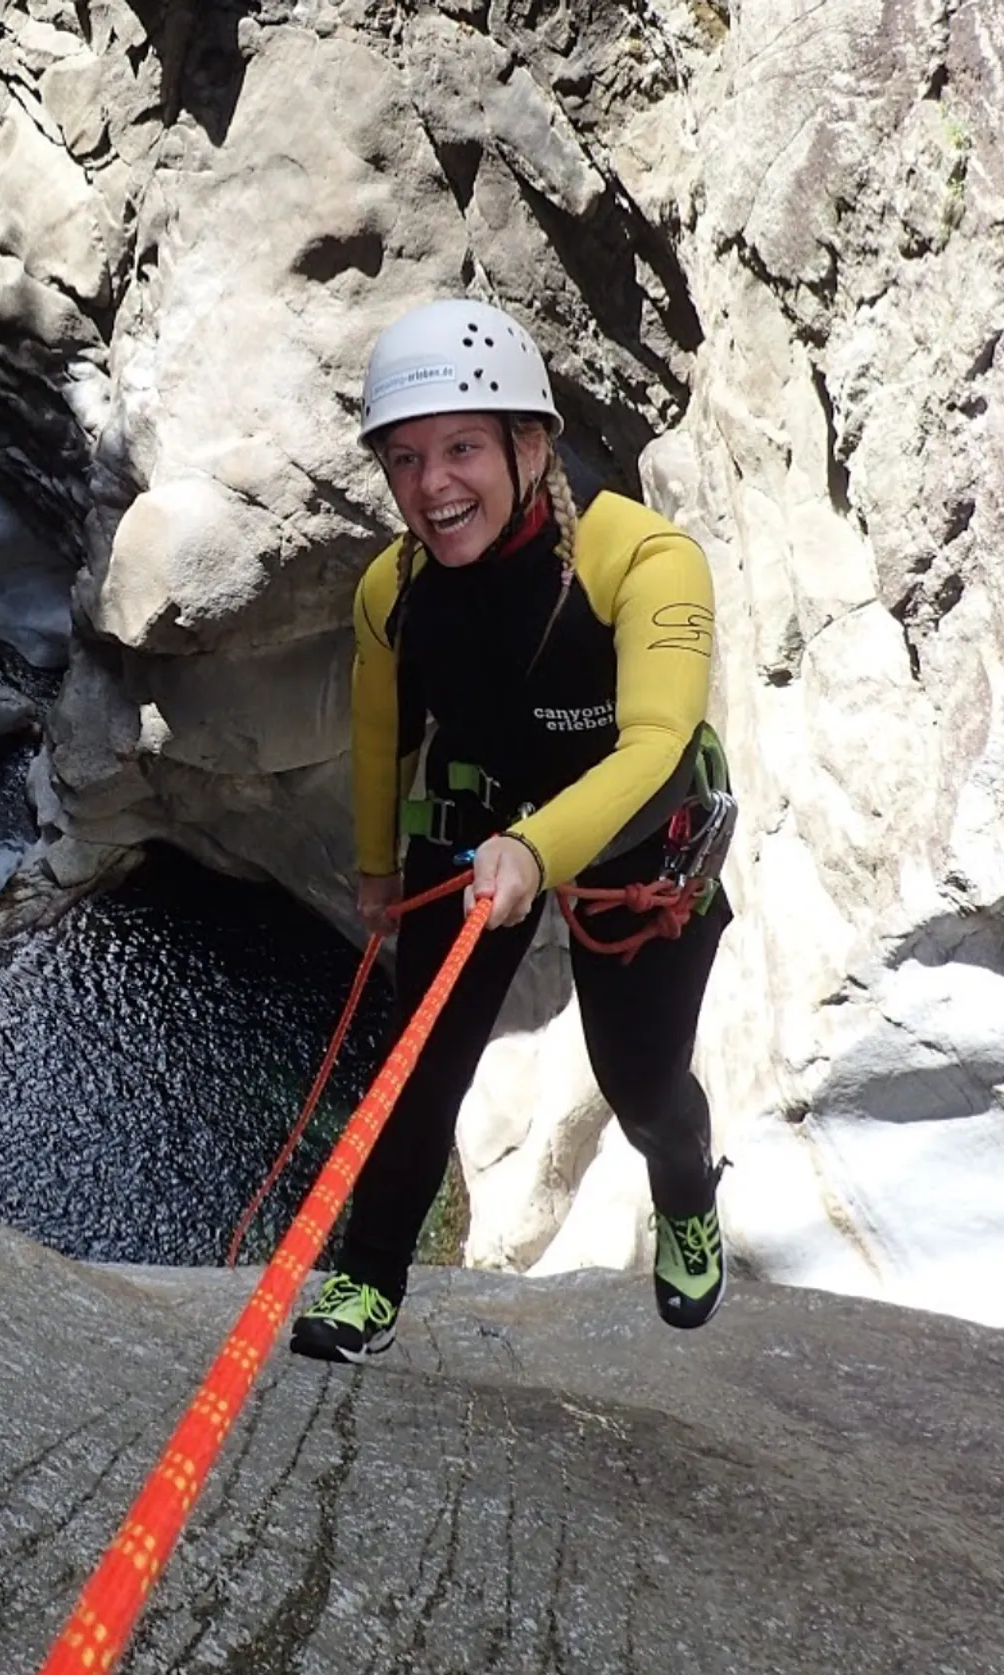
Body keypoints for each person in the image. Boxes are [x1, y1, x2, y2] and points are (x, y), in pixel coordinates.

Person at [290, 297, 735, 1364]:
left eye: (459, 449)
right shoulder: (393, 588)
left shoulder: (643, 559)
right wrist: (372, 867)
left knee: (643, 1081)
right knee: (420, 1064)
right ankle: (365, 1277)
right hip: (477, 820)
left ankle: (686, 1193)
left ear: (529, 444)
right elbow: (379, 722)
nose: (431, 486)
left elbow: (657, 742)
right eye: (403, 459)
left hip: (636, 851)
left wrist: (540, 853)